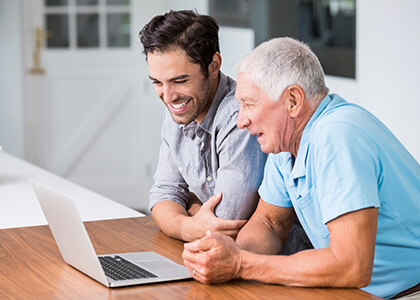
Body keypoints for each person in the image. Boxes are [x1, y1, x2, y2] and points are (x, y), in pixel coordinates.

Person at [182, 37, 420, 300]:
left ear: (293, 100)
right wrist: (228, 255)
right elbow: (270, 223)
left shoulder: (337, 135)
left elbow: (352, 266)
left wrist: (241, 264)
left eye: (249, 104)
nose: (241, 121)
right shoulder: (287, 145)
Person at [138, 10, 312, 253]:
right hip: (227, 260)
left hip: (278, 264)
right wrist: (187, 225)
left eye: (180, 81)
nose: (167, 97)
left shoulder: (238, 116)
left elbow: (224, 222)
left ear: (213, 65)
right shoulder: (178, 110)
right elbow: (162, 195)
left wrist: (188, 205)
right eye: (157, 82)